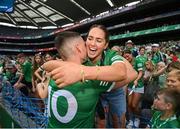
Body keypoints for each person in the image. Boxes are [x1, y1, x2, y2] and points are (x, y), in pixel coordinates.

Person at [47, 24, 137, 128]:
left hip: (112, 92)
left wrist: (82, 72)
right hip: (96, 89)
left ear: (105, 45)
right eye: (90, 38)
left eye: (99, 40)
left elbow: (129, 73)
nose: (92, 44)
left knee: (118, 121)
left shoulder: (110, 55)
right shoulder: (84, 57)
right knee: (100, 122)